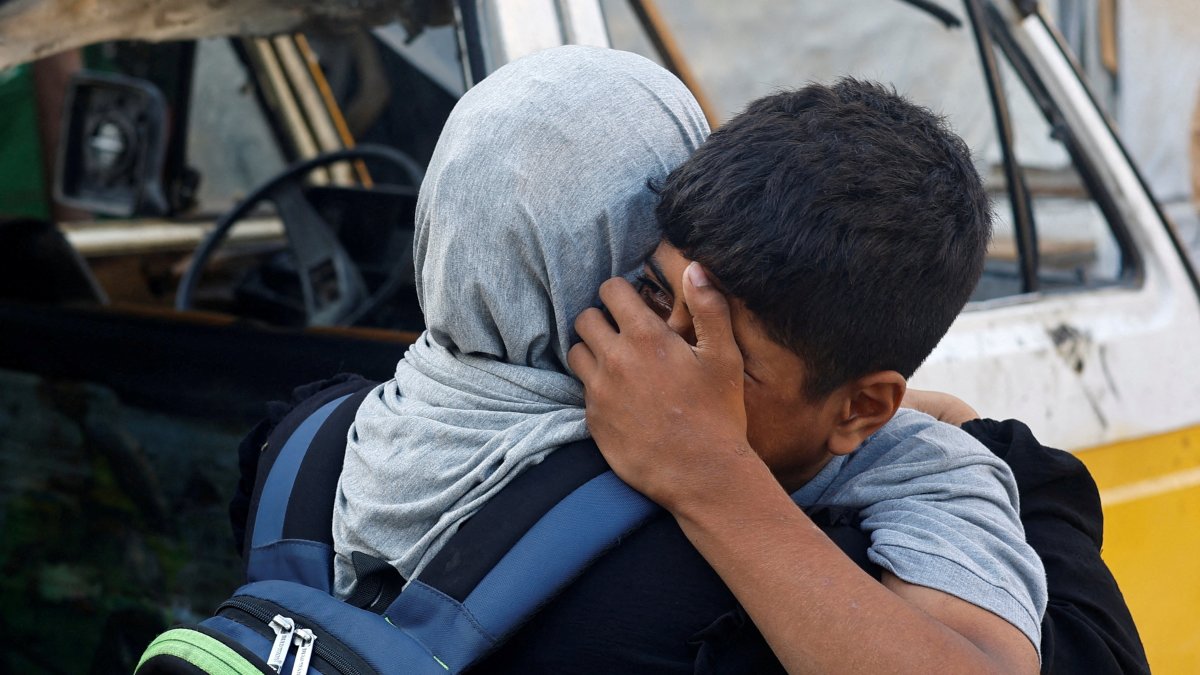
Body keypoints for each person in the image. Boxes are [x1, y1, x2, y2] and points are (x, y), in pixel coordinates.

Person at [569, 80, 1047, 673]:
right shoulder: (579, 368)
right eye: (654, 293)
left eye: (726, 354)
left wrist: (706, 473)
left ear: (861, 409)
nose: (661, 360)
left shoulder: (925, 470)